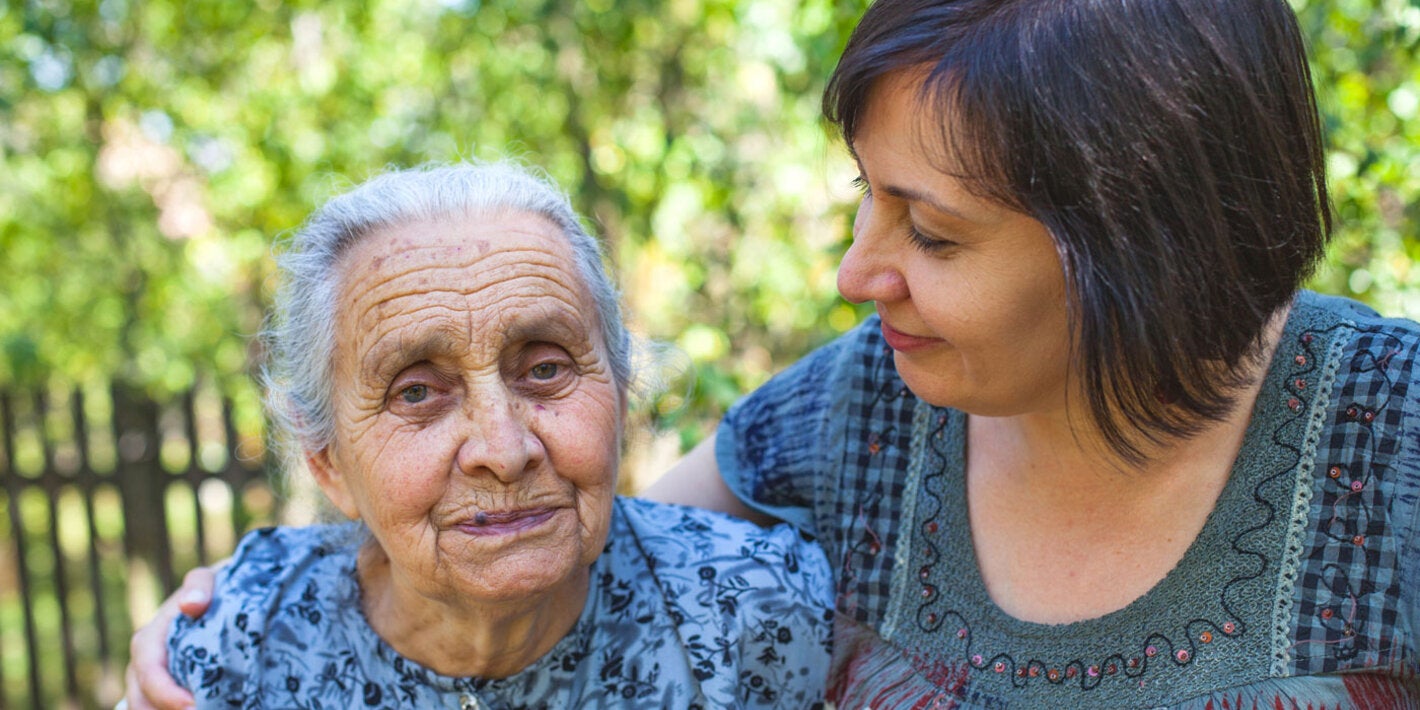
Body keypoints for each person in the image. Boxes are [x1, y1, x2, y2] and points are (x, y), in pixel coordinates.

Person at [130, 0, 1420, 707]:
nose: (857, 274)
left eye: (932, 231)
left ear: (1143, 243)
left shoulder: (1393, 434)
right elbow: (564, 543)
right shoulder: (858, 409)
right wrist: (240, 613)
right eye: (867, 197)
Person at [142, 161, 833, 709]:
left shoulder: (760, 611)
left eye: (545, 369)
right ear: (328, 463)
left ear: (622, 400)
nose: (503, 452)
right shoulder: (237, 649)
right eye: (417, 392)